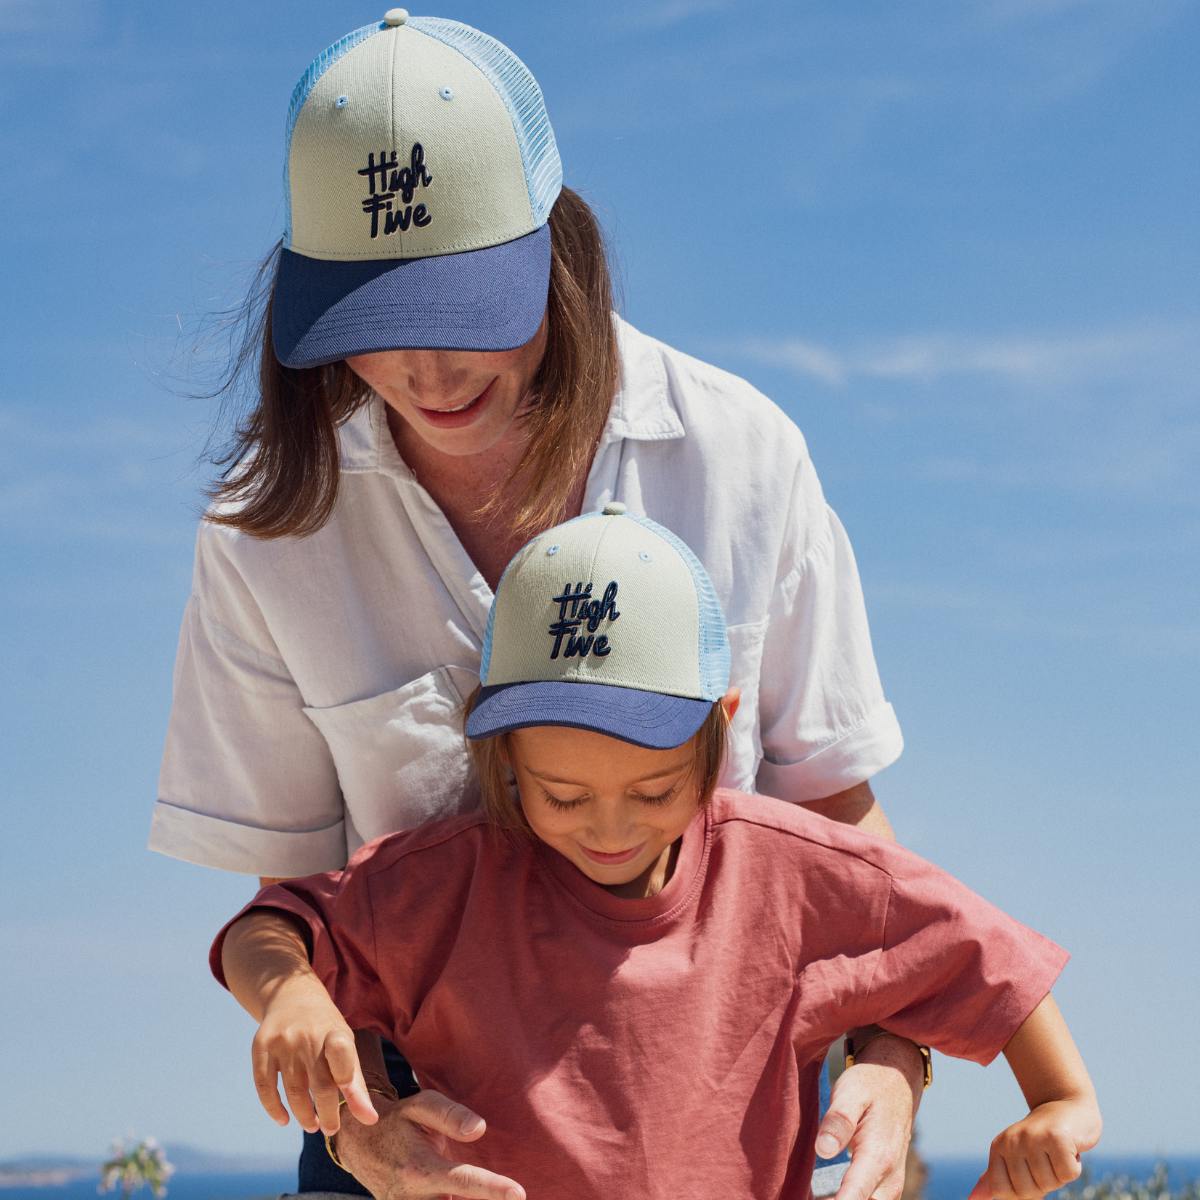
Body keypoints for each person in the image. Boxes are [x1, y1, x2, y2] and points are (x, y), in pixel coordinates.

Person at [152, 10, 925, 1198]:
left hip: (725, 1117)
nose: (429, 372)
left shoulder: (740, 454)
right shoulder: (268, 534)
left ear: (556, 244)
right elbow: (296, 910)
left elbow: (839, 816)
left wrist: (891, 1061)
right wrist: (358, 1122)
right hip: (413, 1127)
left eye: (464, 312)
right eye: (376, 327)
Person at [213, 508, 1102, 1200]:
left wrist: (1060, 1100)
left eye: (653, 792)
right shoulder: (447, 883)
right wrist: (289, 992)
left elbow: (980, 954)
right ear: (502, 750)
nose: (609, 828)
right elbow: (274, 926)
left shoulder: (792, 877)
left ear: (722, 727)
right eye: (561, 796)